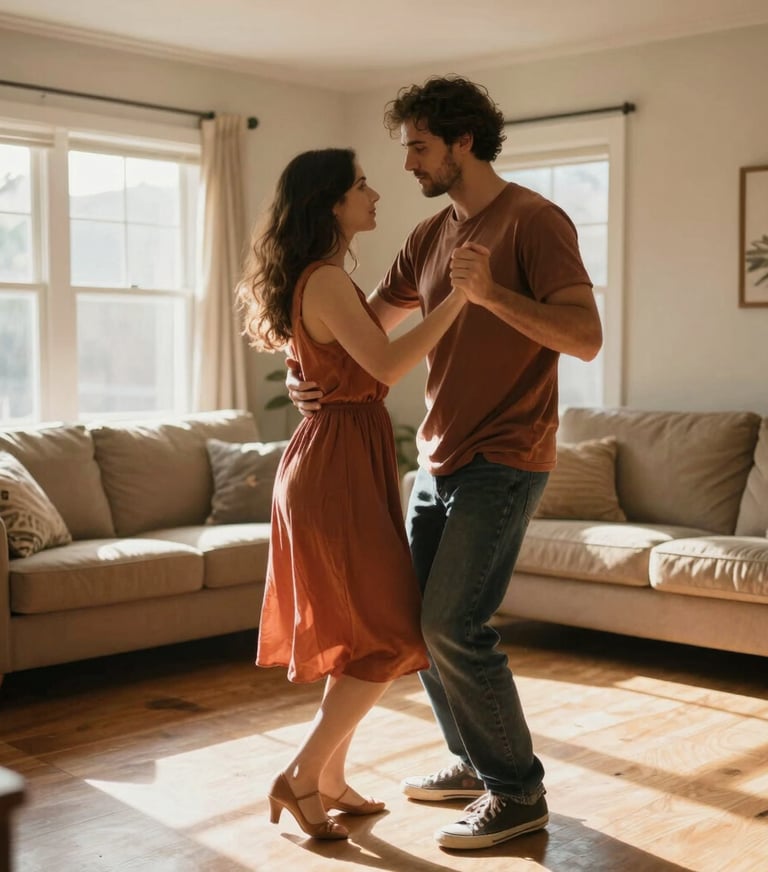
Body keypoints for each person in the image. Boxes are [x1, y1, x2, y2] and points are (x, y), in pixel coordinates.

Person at [286, 77, 603, 850]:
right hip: (437, 457)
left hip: (508, 452)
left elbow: (585, 336)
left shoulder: (535, 221)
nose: (408, 165)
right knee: (413, 625)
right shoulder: (429, 237)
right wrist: (312, 372)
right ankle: (468, 758)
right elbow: (370, 329)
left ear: (464, 142)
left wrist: (491, 296)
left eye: (420, 147)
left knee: (452, 622)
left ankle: (517, 791)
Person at [237, 147, 471, 841]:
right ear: (331, 203)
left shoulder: (328, 282)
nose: (375, 193)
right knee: (386, 632)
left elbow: (352, 350)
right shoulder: (326, 280)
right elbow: (391, 362)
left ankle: (330, 777)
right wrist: (462, 296)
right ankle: (303, 775)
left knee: (363, 635)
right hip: (334, 468)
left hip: (337, 457)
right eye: (361, 185)